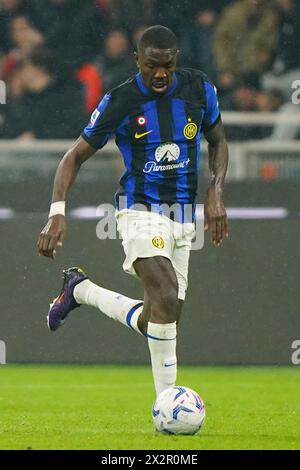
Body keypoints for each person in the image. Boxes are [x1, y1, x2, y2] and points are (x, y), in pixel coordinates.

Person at [37, 25, 229, 397]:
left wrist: (216, 191)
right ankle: (167, 408)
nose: (160, 74)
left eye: (167, 66)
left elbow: (218, 141)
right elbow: (73, 157)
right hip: (139, 209)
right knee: (166, 294)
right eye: (152, 66)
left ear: (176, 61)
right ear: (136, 60)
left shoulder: (199, 89)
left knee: (162, 315)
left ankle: (81, 291)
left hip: (183, 216)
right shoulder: (120, 100)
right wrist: (57, 211)